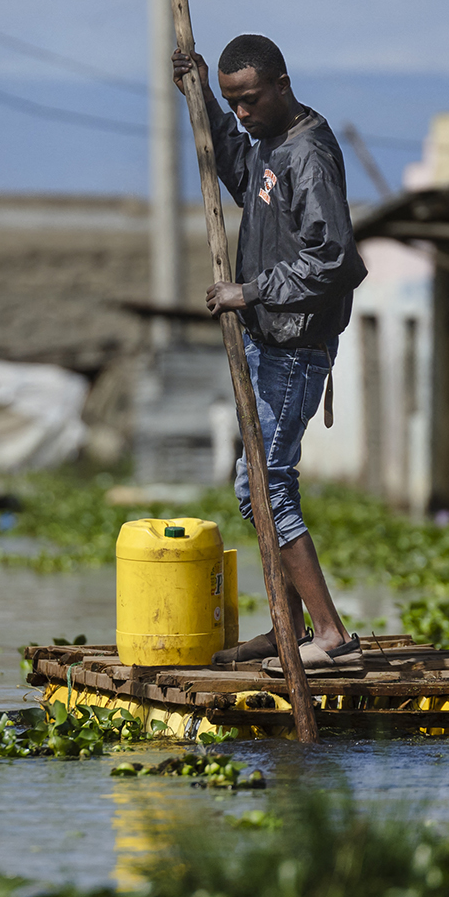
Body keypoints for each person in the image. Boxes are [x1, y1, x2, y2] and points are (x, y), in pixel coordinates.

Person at [172, 34, 368, 676]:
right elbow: (236, 171)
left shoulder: (308, 153)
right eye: (232, 104)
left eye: (249, 100)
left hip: (296, 344)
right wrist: (198, 95)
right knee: (256, 483)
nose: (242, 115)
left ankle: (331, 636)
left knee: (267, 485)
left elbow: (336, 260)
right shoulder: (266, 145)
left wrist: (251, 290)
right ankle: (288, 626)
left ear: (282, 83)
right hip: (267, 340)